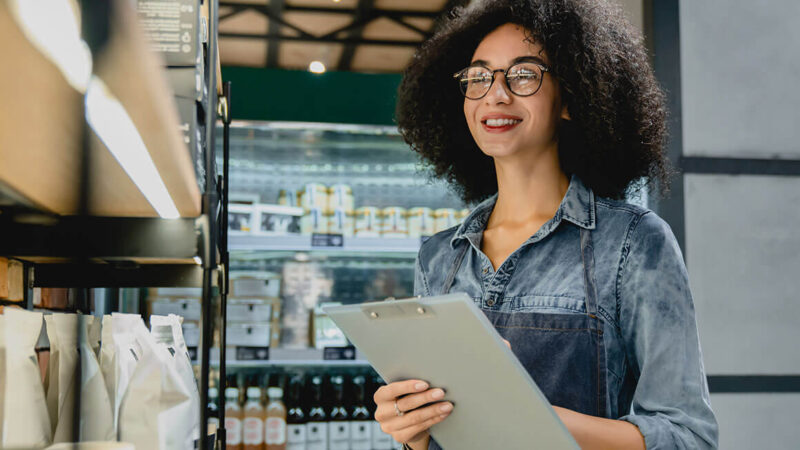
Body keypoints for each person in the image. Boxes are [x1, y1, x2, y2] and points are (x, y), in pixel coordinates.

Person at [372, 1, 719, 449]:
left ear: (571, 98)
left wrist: (530, 416)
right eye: (479, 77)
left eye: (523, 74)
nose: (496, 94)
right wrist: (413, 433)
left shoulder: (631, 242)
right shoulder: (439, 257)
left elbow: (688, 437)